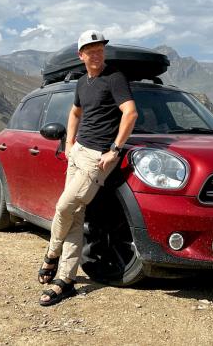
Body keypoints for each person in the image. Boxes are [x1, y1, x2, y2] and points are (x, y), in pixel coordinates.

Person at [38, 30, 138, 306]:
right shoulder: (83, 82)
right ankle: (66, 280)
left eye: (100, 50)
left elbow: (130, 113)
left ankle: (51, 254)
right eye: (91, 51)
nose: (96, 54)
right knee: (74, 215)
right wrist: (70, 142)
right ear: (81, 55)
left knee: (64, 207)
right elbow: (75, 112)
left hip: (97, 157)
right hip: (78, 151)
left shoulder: (115, 77)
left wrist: (115, 149)